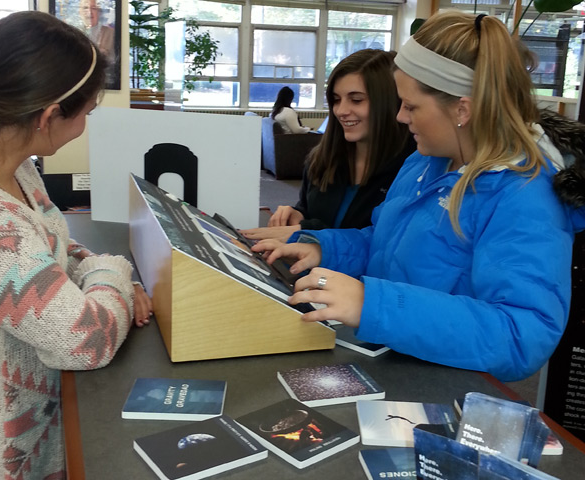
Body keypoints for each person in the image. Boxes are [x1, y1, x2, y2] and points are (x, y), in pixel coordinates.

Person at [253, 11, 585, 382]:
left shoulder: (524, 193)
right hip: (393, 361)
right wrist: (324, 249)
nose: (398, 116)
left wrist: (373, 304)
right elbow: (383, 244)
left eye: (410, 106)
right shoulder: (424, 161)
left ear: (462, 109)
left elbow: (521, 335)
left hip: (445, 386)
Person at [0, 11, 152, 480]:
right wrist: (117, 273)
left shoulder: (17, 166)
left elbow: (58, 245)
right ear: (47, 115)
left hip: (35, 421)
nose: (86, 126)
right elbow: (89, 338)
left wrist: (95, 271)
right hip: (1, 452)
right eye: (86, 113)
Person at [242, 49, 415, 242]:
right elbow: (309, 210)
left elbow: (379, 245)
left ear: (389, 102)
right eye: (336, 100)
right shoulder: (322, 159)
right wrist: (297, 215)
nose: (341, 111)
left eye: (356, 100)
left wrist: (309, 230)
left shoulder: (413, 170)